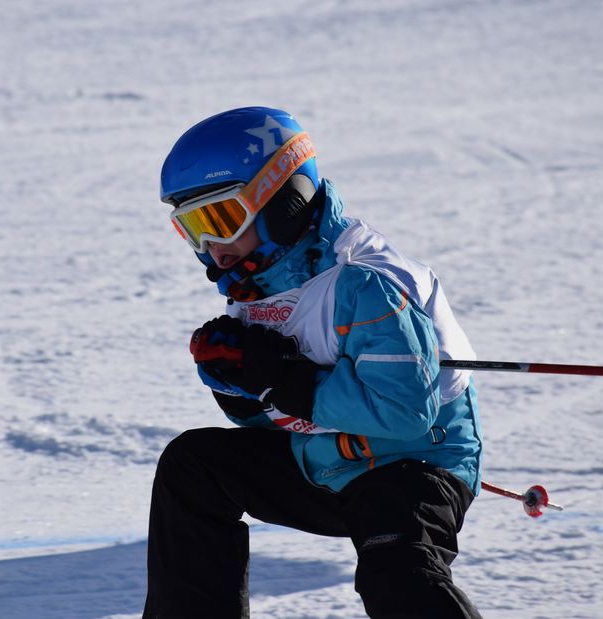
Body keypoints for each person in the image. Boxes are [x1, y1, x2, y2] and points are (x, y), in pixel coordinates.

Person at [143, 107, 484, 619]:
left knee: (395, 570)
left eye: (220, 220)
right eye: (192, 228)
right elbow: (275, 418)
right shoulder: (260, 283)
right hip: (323, 462)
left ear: (283, 200)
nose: (211, 247)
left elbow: (406, 413)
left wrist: (283, 380)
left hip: (413, 465)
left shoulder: (366, 283)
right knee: (192, 466)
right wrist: (238, 384)